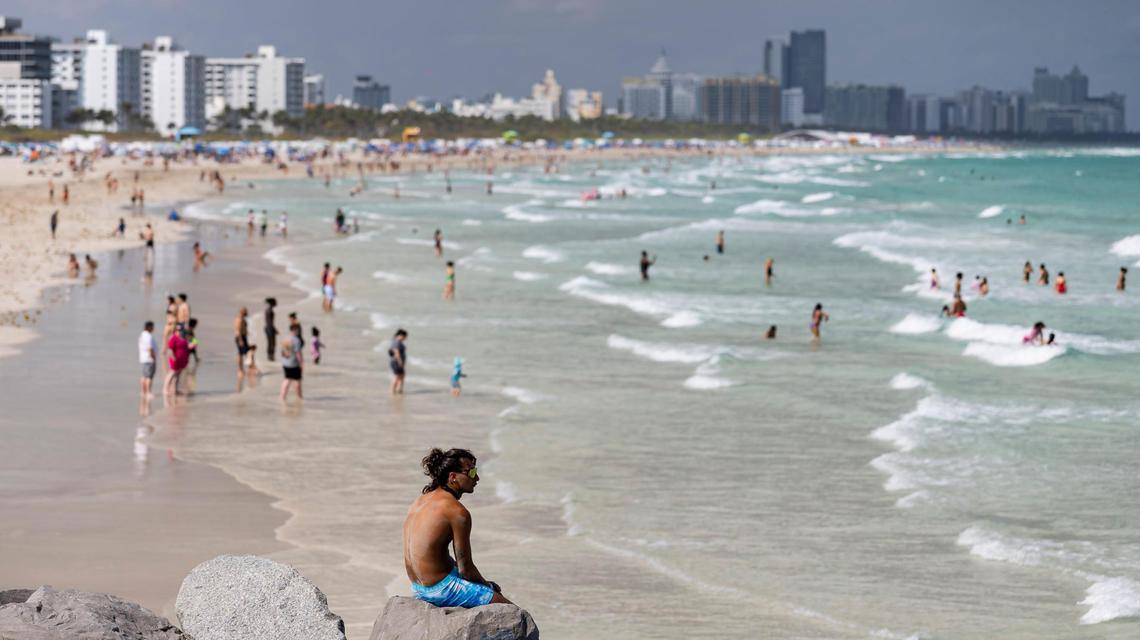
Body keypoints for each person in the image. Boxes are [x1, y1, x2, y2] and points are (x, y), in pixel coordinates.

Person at [403, 448, 512, 608]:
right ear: (453, 477)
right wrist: (487, 586)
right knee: (511, 611)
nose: (478, 478)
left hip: (417, 587)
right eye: (472, 472)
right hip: (439, 589)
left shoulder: (419, 501)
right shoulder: (457, 512)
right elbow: (465, 569)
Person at [279, 324, 304, 401]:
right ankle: (299, 398)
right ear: (296, 330)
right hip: (293, 364)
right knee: (297, 381)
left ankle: (282, 397)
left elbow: (282, 351)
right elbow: (298, 353)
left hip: (285, 363)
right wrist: (301, 363)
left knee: (287, 379)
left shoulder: (285, 338)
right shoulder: (296, 340)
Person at [164, 328, 191, 397]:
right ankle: (165, 389)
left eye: (181, 330)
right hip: (175, 360)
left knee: (177, 375)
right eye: (178, 330)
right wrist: (173, 357)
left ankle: (175, 389)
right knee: (171, 373)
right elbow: (170, 349)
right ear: (175, 331)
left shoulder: (184, 338)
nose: (180, 332)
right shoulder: (174, 338)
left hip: (182, 360)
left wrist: (191, 346)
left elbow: (186, 348)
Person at [138, 321, 157, 397]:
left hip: (143, 358)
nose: (153, 329)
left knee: (144, 376)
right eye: (152, 327)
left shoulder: (142, 335)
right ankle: (148, 392)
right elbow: (150, 348)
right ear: (149, 327)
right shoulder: (148, 336)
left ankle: (143, 392)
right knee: (149, 377)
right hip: (149, 359)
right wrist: (153, 357)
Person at [389, 329, 408, 395]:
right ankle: (393, 391)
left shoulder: (396, 341)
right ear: (401, 335)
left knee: (402, 375)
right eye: (405, 337)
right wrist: (400, 361)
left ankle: (399, 390)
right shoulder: (397, 342)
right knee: (397, 376)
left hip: (397, 361)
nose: (405, 338)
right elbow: (396, 351)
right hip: (396, 362)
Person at [235, 307, 250, 385]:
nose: (247, 313)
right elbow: (238, 330)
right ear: (243, 312)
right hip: (240, 337)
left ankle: (244, 369)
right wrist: (240, 340)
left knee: (245, 353)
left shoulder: (242, 319)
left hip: (243, 337)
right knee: (240, 354)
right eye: (246, 312)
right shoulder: (240, 319)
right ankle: (240, 370)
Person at [264, 298, 278, 362]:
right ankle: (270, 356)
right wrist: (274, 329)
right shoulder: (269, 310)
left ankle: (270, 356)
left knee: (270, 343)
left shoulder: (268, 310)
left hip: (268, 328)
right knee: (272, 343)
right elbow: (270, 322)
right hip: (269, 328)